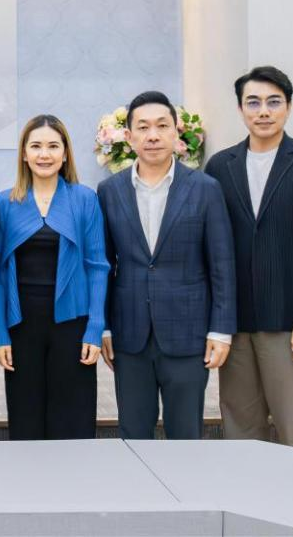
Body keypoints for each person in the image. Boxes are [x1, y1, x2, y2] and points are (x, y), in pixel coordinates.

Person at [204, 66, 293, 449]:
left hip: (290, 324)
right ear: (240, 109)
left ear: (288, 107)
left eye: (273, 102)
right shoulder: (219, 166)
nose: (263, 111)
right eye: (253, 102)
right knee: (240, 430)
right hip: (236, 323)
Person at [97, 92, 236, 439]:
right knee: (133, 434)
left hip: (188, 334)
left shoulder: (206, 189)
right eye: (143, 127)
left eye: (162, 126)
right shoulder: (109, 191)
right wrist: (104, 327)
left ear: (176, 133)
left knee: (185, 434)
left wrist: (221, 330)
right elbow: (103, 265)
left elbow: (222, 265)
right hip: (129, 334)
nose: (153, 135)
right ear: (129, 136)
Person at [0, 115, 105, 440]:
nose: (44, 154)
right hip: (21, 323)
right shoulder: (5, 203)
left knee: (73, 418)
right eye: (36, 146)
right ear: (24, 154)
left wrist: (95, 329)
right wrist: (0, 334)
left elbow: (97, 267)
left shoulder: (85, 199)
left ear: (65, 154)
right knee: (25, 416)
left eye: (53, 146)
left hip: (73, 322)